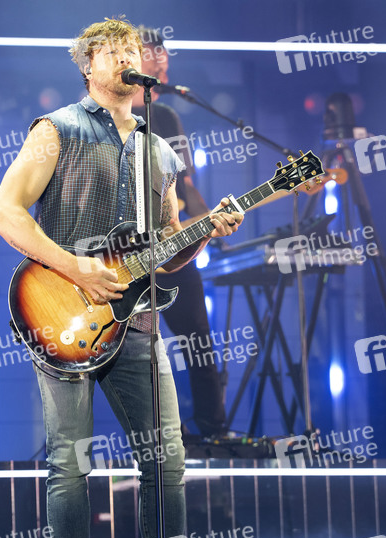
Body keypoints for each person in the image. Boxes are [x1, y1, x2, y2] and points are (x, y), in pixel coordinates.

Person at [0, 17, 243, 538]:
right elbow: (6, 213)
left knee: (167, 462)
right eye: (113, 51)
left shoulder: (160, 149)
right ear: (87, 65)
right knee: (70, 464)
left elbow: (166, 251)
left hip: (138, 321)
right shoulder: (57, 130)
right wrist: (76, 267)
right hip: (62, 312)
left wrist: (206, 230)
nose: (128, 57)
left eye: (132, 49)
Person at [131, 27, 227, 438]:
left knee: (198, 339)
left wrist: (212, 224)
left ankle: (212, 428)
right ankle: (150, 436)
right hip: (126, 253)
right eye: (155, 58)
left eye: (165, 60)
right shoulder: (108, 119)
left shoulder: (168, 117)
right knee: (135, 349)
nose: (163, 67)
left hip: (173, 247)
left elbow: (185, 187)